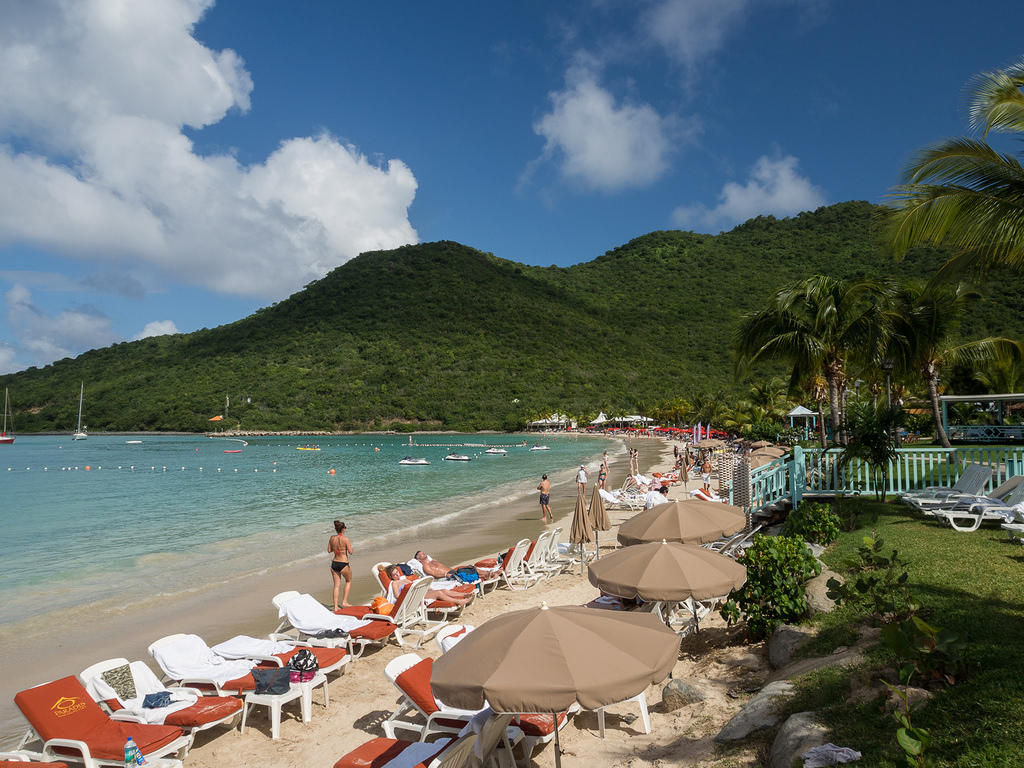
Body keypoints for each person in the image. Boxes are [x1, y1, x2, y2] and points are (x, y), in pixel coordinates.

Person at [384, 564, 473, 606]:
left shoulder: (404, 579)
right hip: (412, 597)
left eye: (397, 572)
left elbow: (414, 585)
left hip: (419, 592)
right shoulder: (395, 583)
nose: (397, 575)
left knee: (444, 590)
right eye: (394, 574)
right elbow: (397, 596)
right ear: (391, 576)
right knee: (439, 593)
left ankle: (464, 595)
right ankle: (459, 602)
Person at [328, 520, 354, 610]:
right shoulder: (345, 539)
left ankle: (335, 607)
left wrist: (336, 549)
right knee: (348, 581)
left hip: (334, 563)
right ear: (343, 529)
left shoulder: (331, 538)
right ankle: (344, 602)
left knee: (336, 585)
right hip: (343, 563)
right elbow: (351, 552)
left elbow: (329, 550)